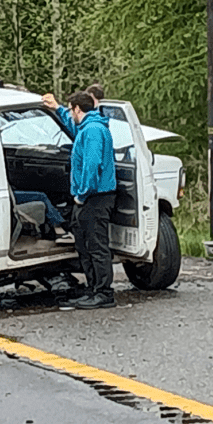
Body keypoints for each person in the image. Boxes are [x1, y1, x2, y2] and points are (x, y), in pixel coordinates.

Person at [59, 91, 117, 310]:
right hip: (89, 197)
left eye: (69, 109)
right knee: (84, 243)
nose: (70, 113)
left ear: (76, 108)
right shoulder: (87, 128)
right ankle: (93, 287)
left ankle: (103, 292)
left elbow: (92, 166)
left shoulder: (92, 130)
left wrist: (81, 194)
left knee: (97, 245)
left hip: (95, 197)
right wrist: (55, 108)